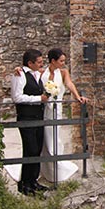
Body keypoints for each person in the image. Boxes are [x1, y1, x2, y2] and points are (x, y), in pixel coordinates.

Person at [40, 48, 88, 183]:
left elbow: (69, 84)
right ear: (53, 61)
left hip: (56, 109)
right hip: (44, 110)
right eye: (61, 61)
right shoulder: (41, 72)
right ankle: (46, 169)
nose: (63, 63)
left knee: (55, 138)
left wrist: (78, 97)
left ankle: (57, 166)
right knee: (45, 140)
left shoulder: (63, 72)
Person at [10, 49, 49, 195]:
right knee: (30, 149)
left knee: (37, 149)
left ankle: (33, 181)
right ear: (30, 63)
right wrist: (38, 99)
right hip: (26, 117)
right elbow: (17, 97)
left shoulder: (36, 74)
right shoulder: (19, 75)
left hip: (38, 117)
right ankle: (24, 184)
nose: (41, 63)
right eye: (38, 62)